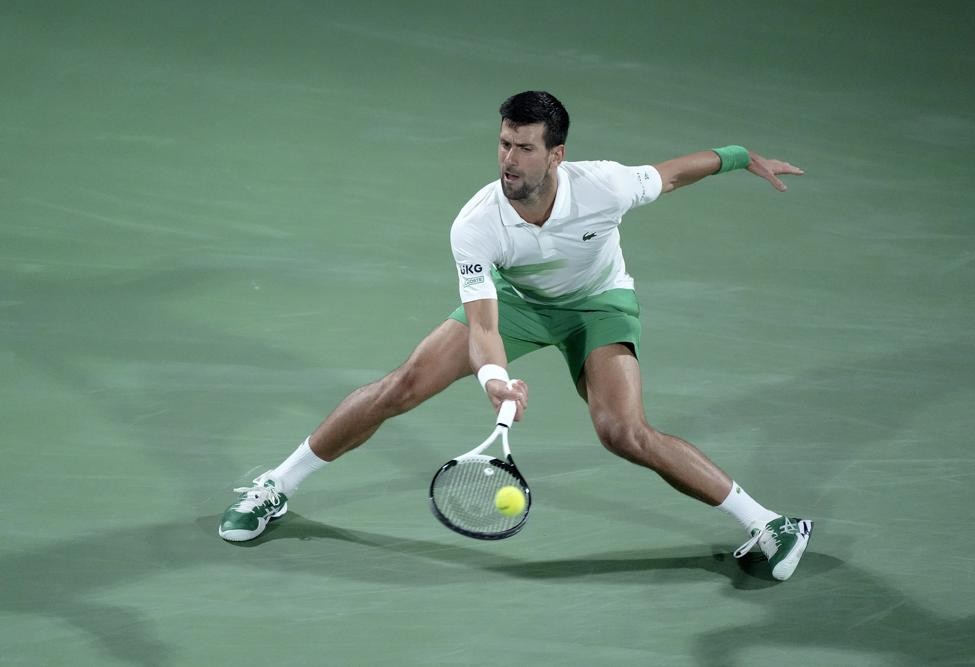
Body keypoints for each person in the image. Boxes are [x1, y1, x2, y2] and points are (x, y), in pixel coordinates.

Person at [218, 90, 812, 581]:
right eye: (504, 143)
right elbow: (482, 324)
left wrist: (740, 156)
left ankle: (769, 523)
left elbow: (678, 174)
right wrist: (496, 380)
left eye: (525, 147)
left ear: (557, 154)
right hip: (519, 303)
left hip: (596, 306)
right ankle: (276, 486)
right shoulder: (476, 223)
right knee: (401, 386)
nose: (509, 159)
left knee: (623, 432)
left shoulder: (605, 186)